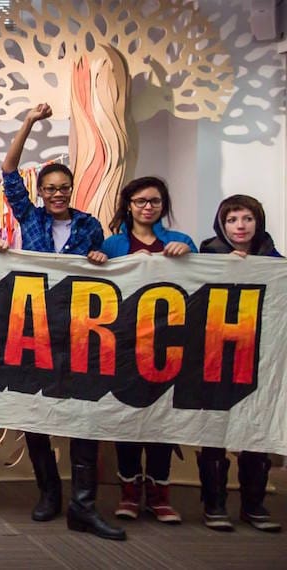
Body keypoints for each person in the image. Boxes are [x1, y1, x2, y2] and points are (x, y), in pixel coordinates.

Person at [0, 104, 123, 540]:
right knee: (37, 414)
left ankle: (83, 505)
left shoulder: (90, 225)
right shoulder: (29, 218)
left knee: (83, 417)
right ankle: (49, 494)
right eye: (50, 188)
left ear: (71, 190)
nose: (58, 194)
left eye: (64, 187)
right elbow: (9, 171)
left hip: (82, 333)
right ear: (40, 192)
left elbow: (104, 273)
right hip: (36, 330)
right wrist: (28, 123)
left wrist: (99, 261)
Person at [91, 176, 194, 525]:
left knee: (163, 421)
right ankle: (130, 494)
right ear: (129, 205)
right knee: (128, 420)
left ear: (163, 205)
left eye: (154, 201)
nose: (147, 206)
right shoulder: (114, 244)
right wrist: (97, 261)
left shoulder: (181, 242)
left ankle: (160, 496)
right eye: (140, 201)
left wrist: (189, 258)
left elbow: (203, 285)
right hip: (125, 348)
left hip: (169, 347)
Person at [196, 194, 281, 533]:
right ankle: (214, 504)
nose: (240, 226)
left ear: (257, 222)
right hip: (216, 356)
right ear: (222, 225)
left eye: (247, 219)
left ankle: (253, 505)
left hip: (261, 358)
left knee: (255, 432)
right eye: (232, 220)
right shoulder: (206, 256)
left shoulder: (275, 262)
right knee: (215, 430)